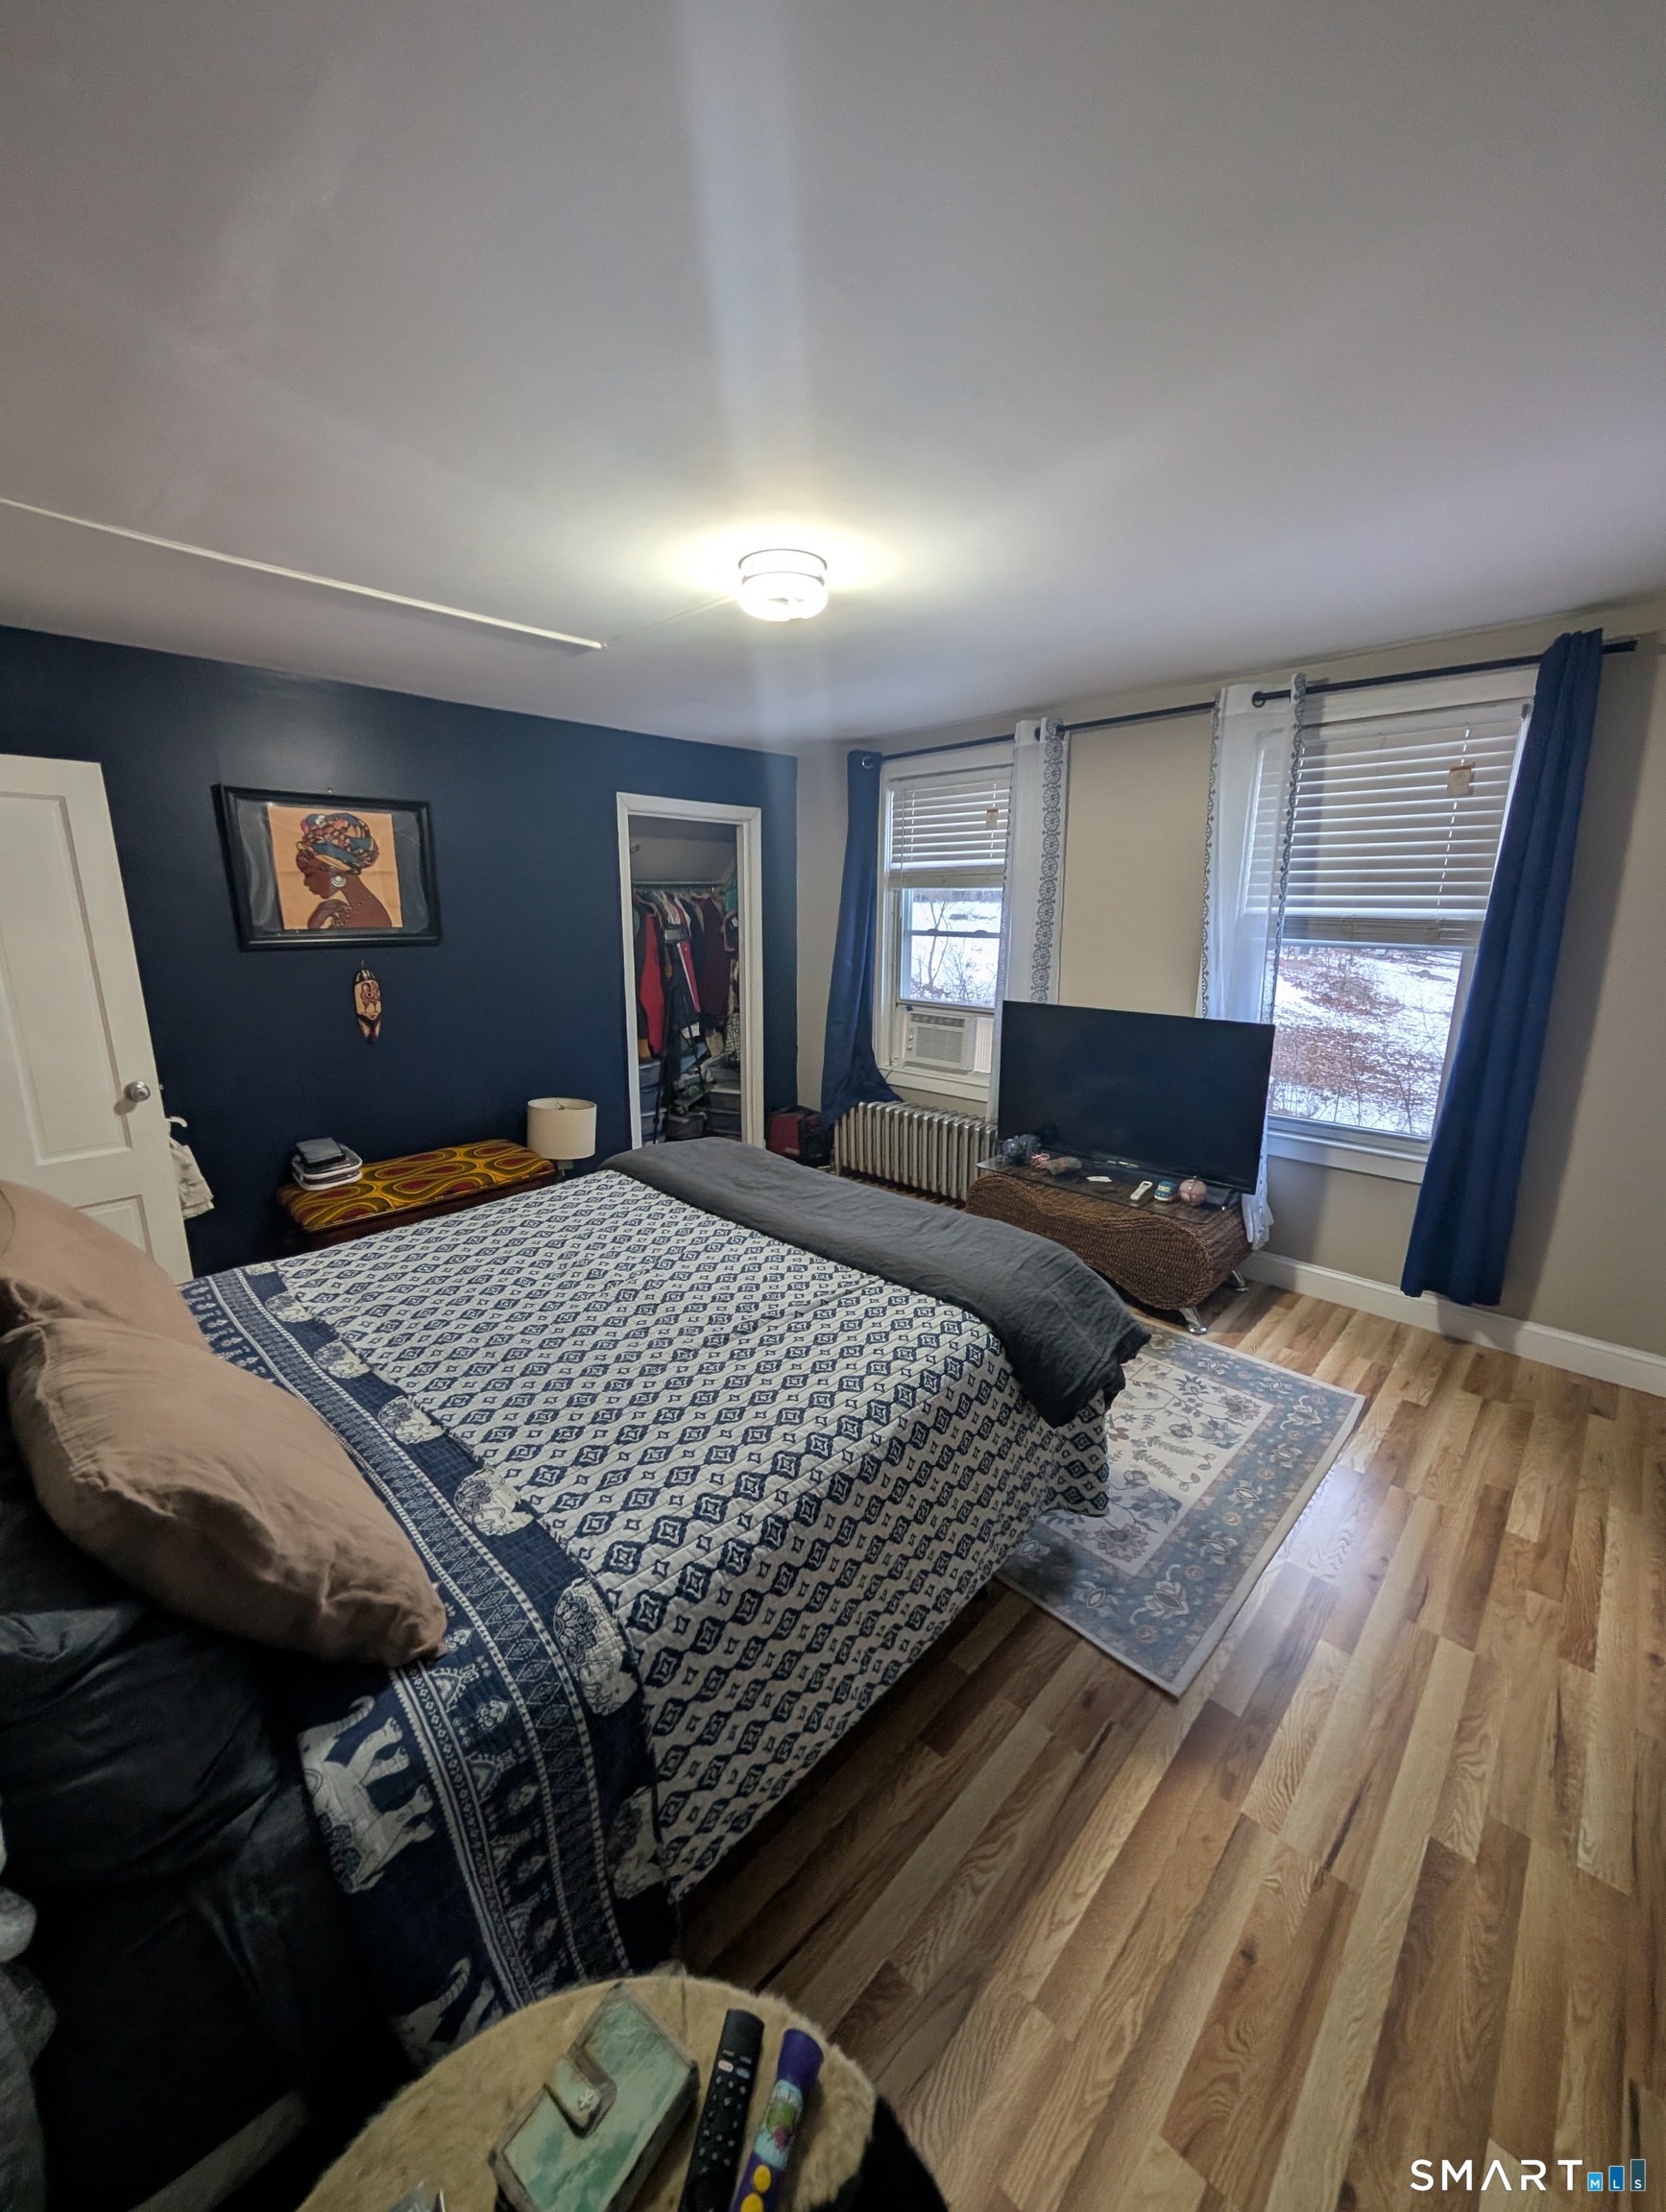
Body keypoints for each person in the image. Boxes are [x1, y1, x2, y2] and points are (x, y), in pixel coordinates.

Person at [294, 812, 393, 930]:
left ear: (334, 868)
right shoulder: (356, 909)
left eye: (309, 874)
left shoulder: (368, 918)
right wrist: (315, 925)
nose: (306, 883)